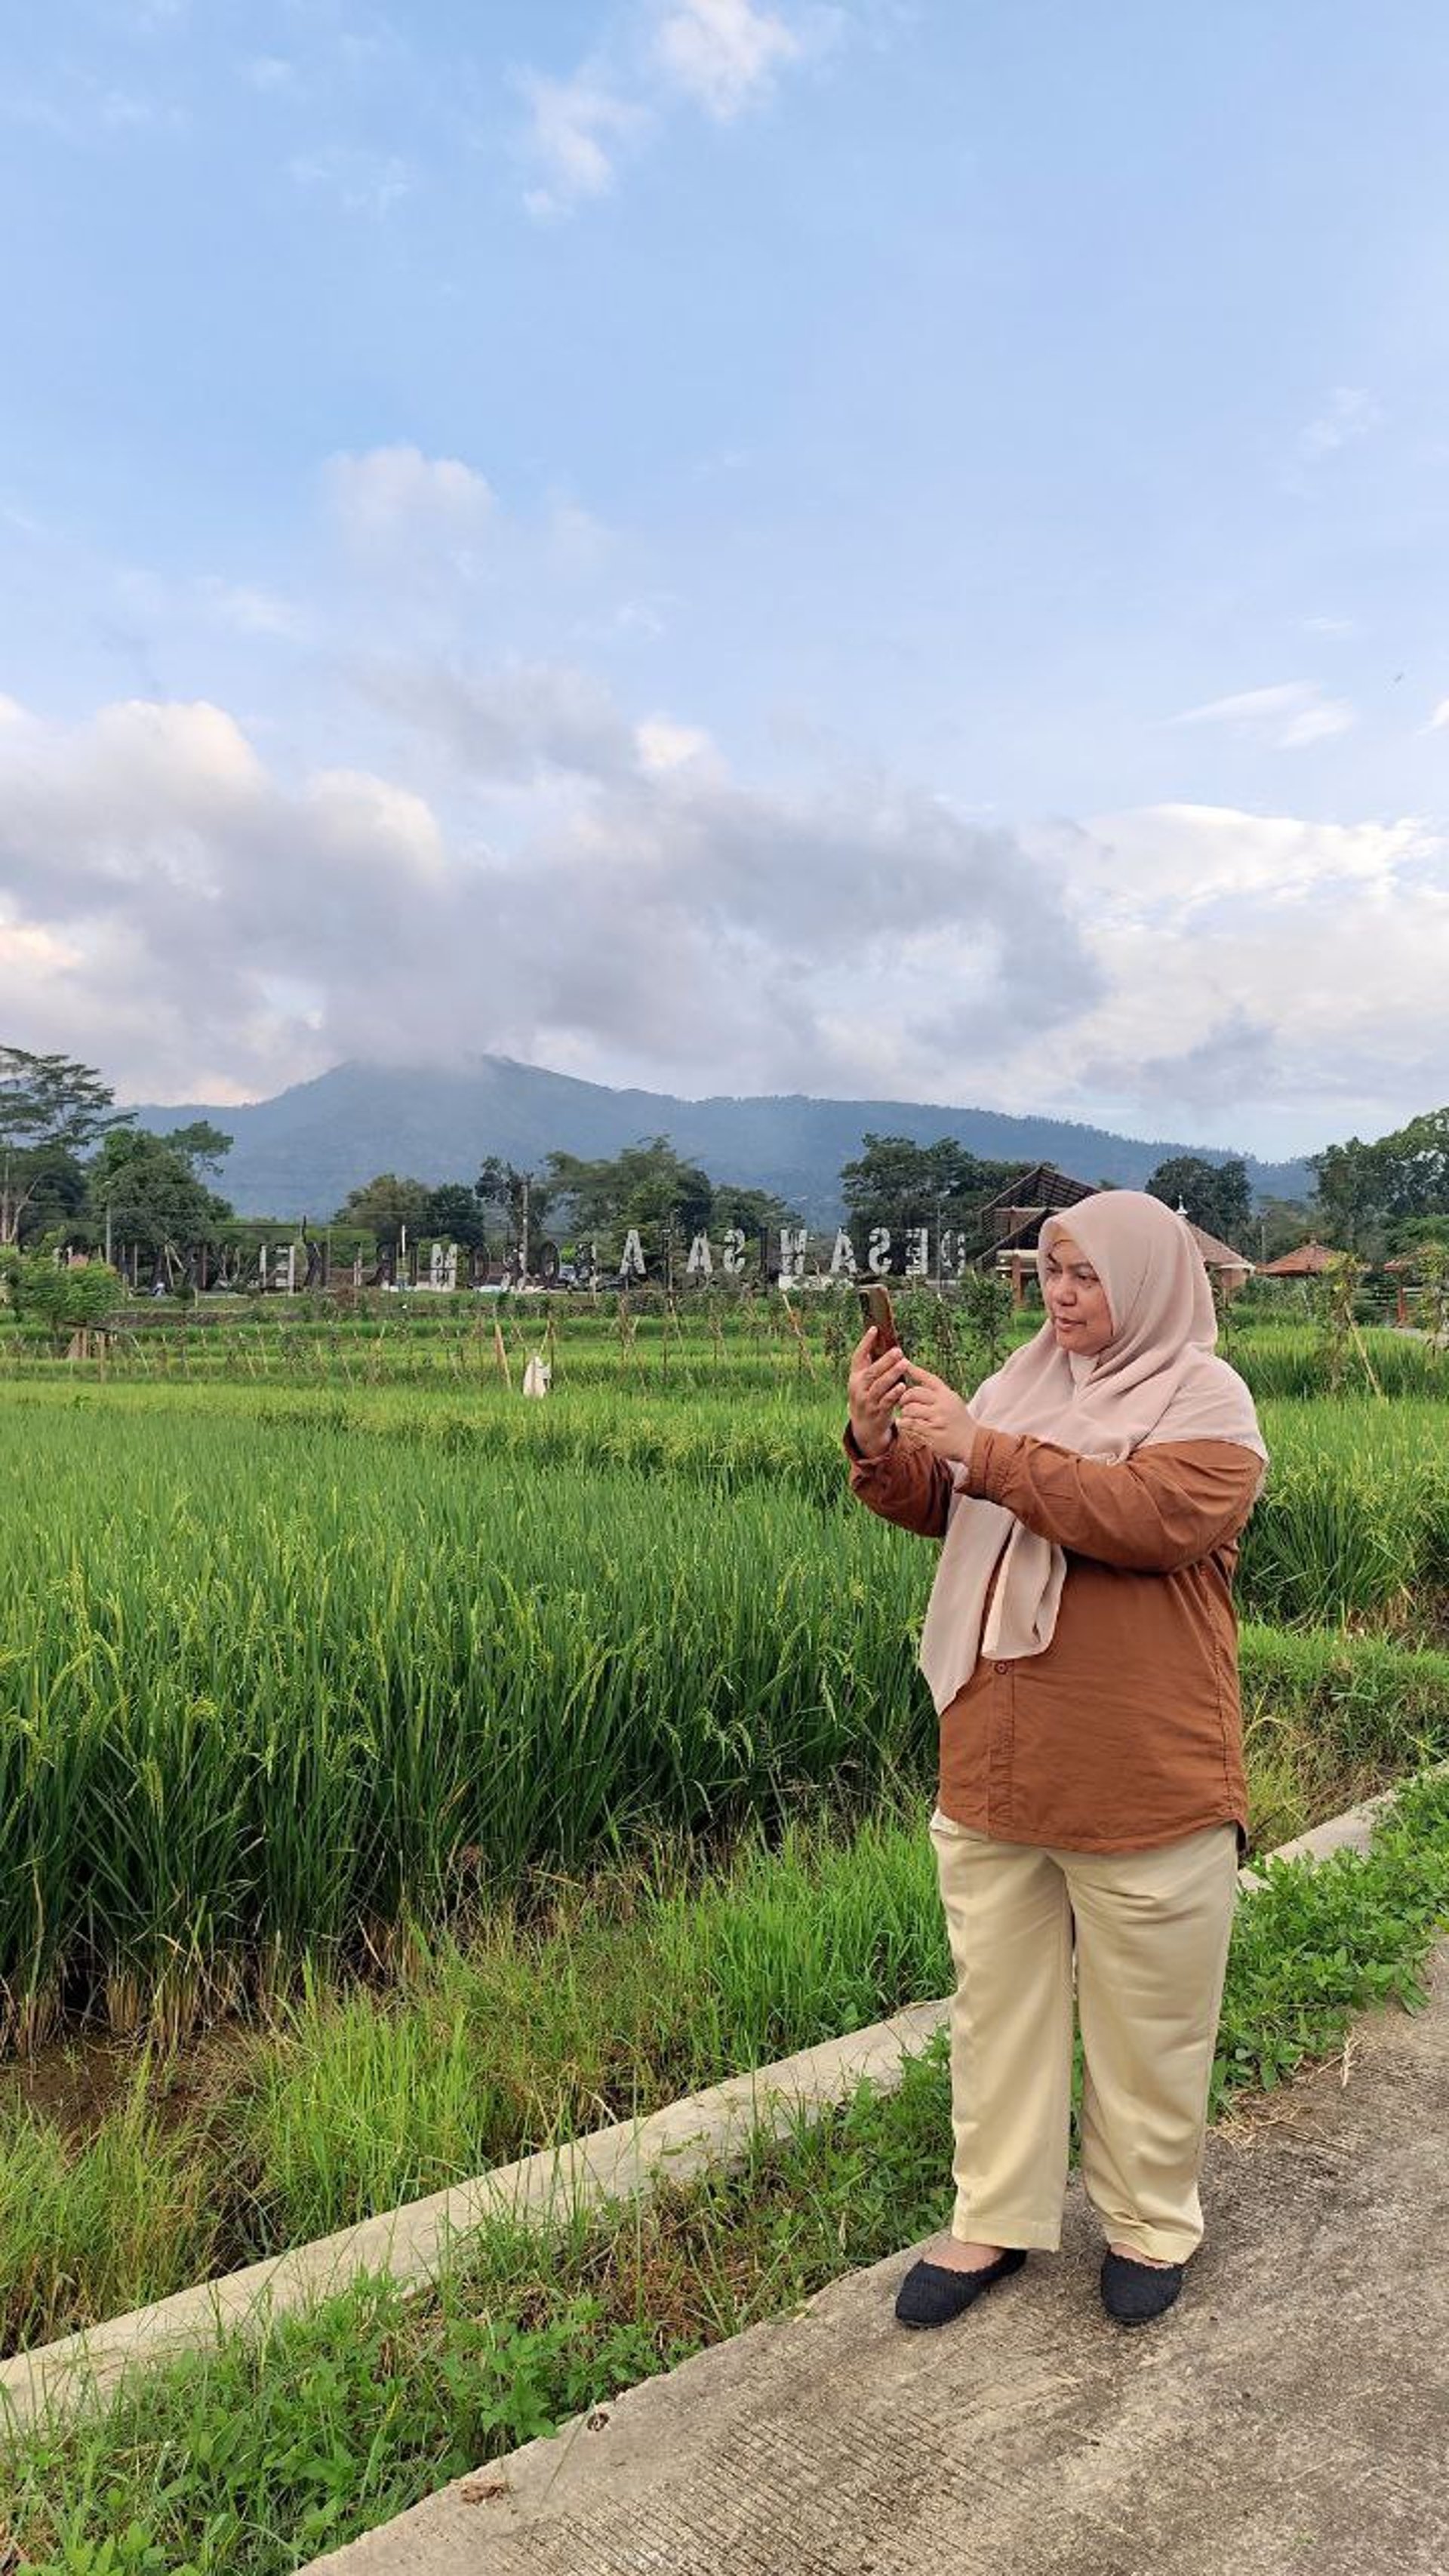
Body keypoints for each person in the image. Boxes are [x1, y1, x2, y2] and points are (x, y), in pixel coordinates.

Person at [845, 1190, 1266, 2329]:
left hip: (1142, 1770)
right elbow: (957, 1504)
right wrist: (885, 1439)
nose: (1064, 1296)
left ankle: (1147, 2220)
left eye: (1087, 1275)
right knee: (998, 2006)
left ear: (1147, 1280)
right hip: (998, 1752)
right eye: (1051, 1273)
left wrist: (981, 1450)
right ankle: (995, 2212)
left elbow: (1145, 1516)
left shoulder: (1206, 1399)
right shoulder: (1020, 1385)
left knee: (1153, 2016)